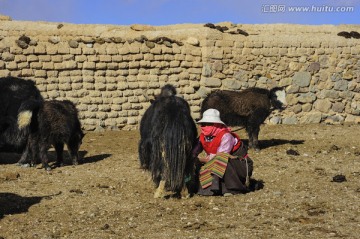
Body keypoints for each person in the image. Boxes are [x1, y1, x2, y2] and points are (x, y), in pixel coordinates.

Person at [192, 108, 253, 196]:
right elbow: (194, 151)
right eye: (203, 124)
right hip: (218, 162)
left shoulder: (226, 136)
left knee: (221, 159)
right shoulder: (203, 137)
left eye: (208, 124)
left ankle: (233, 188)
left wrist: (201, 160)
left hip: (239, 165)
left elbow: (221, 155)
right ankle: (210, 189)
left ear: (216, 124)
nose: (204, 127)